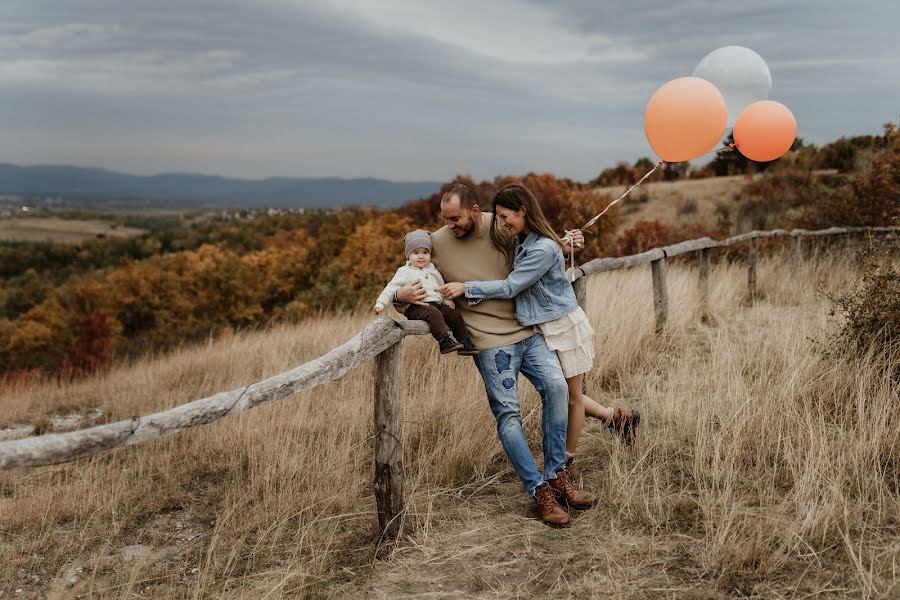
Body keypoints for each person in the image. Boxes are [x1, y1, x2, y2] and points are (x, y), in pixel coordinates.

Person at [396, 183, 591, 527]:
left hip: (527, 331)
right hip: (488, 343)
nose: (450, 225)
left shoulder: (501, 225)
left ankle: (557, 475)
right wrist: (400, 293)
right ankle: (539, 491)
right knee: (508, 414)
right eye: (446, 219)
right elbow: (410, 268)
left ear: (474, 211)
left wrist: (564, 243)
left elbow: (535, 251)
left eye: (455, 218)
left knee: (558, 389)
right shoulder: (437, 241)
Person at [439, 184, 641, 472]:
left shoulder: (541, 247)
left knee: (570, 397)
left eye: (505, 215)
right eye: (497, 216)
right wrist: (564, 243)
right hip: (542, 327)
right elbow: (545, 247)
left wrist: (466, 287)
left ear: (523, 211)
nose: (501, 222)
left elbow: (511, 286)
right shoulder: (524, 240)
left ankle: (563, 466)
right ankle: (617, 418)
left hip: (562, 327)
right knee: (563, 392)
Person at [374, 229, 479, 356]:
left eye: (425, 252)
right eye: (416, 252)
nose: (421, 256)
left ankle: (465, 342)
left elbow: (441, 287)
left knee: (454, 315)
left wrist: (446, 300)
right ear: (408, 255)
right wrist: (380, 304)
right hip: (416, 307)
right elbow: (390, 288)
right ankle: (444, 342)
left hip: (436, 303)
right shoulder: (404, 271)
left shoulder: (433, 270)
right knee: (433, 314)